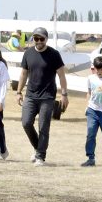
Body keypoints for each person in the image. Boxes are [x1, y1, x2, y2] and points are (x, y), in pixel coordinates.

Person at [16, 27, 69, 166]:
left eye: (41, 39)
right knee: (26, 123)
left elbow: (62, 75)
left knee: (43, 127)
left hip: (47, 96)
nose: (38, 41)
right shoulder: (28, 53)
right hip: (30, 96)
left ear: (46, 39)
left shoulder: (54, 54)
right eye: (36, 38)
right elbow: (23, 74)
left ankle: (40, 156)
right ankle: (37, 146)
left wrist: (64, 94)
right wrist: (18, 92)